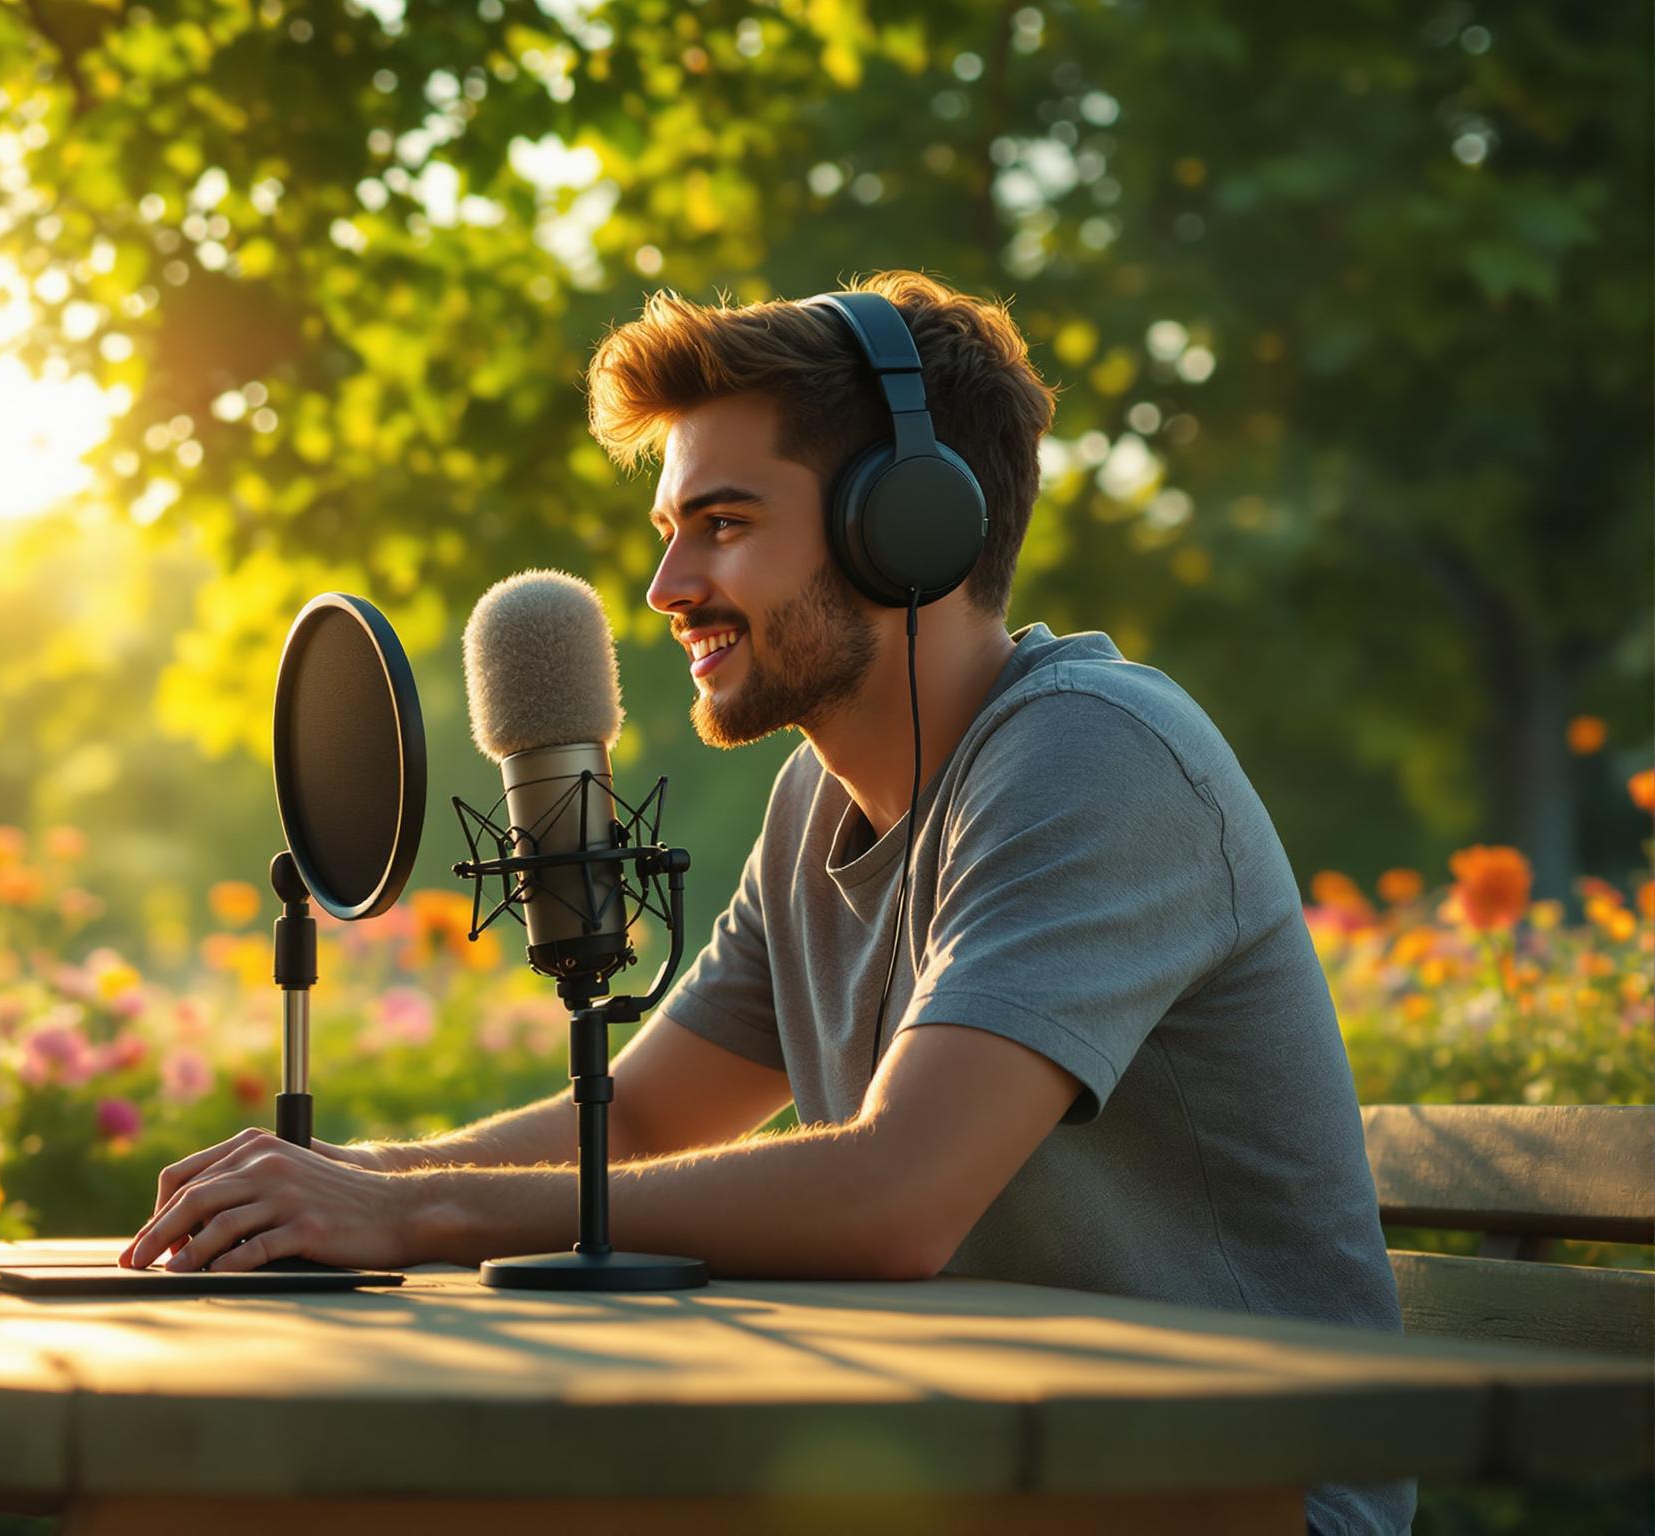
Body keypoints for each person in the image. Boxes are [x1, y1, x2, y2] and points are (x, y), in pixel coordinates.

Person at [121, 270, 1413, 1536]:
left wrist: (412, 1214)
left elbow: (896, 1198)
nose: (667, 586)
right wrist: (342, 1182)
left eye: (723, 524)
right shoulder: (815, 805)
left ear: (904, 526)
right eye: (669, 529)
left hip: (1230, 1492)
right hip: (988, 1464)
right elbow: (633, 1126)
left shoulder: (1095, 755)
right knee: (211, 1500)